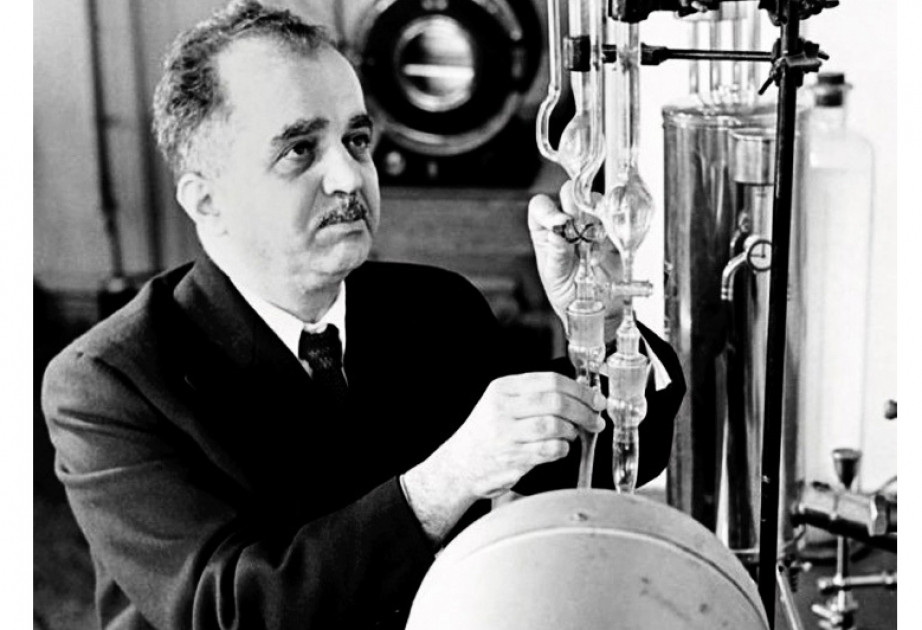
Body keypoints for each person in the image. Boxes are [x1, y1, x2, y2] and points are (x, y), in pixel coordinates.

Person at [41, 2, 685, 628]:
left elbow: (602, 458)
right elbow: (228, 610)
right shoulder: (109, 381)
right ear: (206, 200)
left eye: (356, 140)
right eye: (300, 150)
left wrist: (600, 322)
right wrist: (444, 481)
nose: (350, 179)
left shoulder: (437, 308)